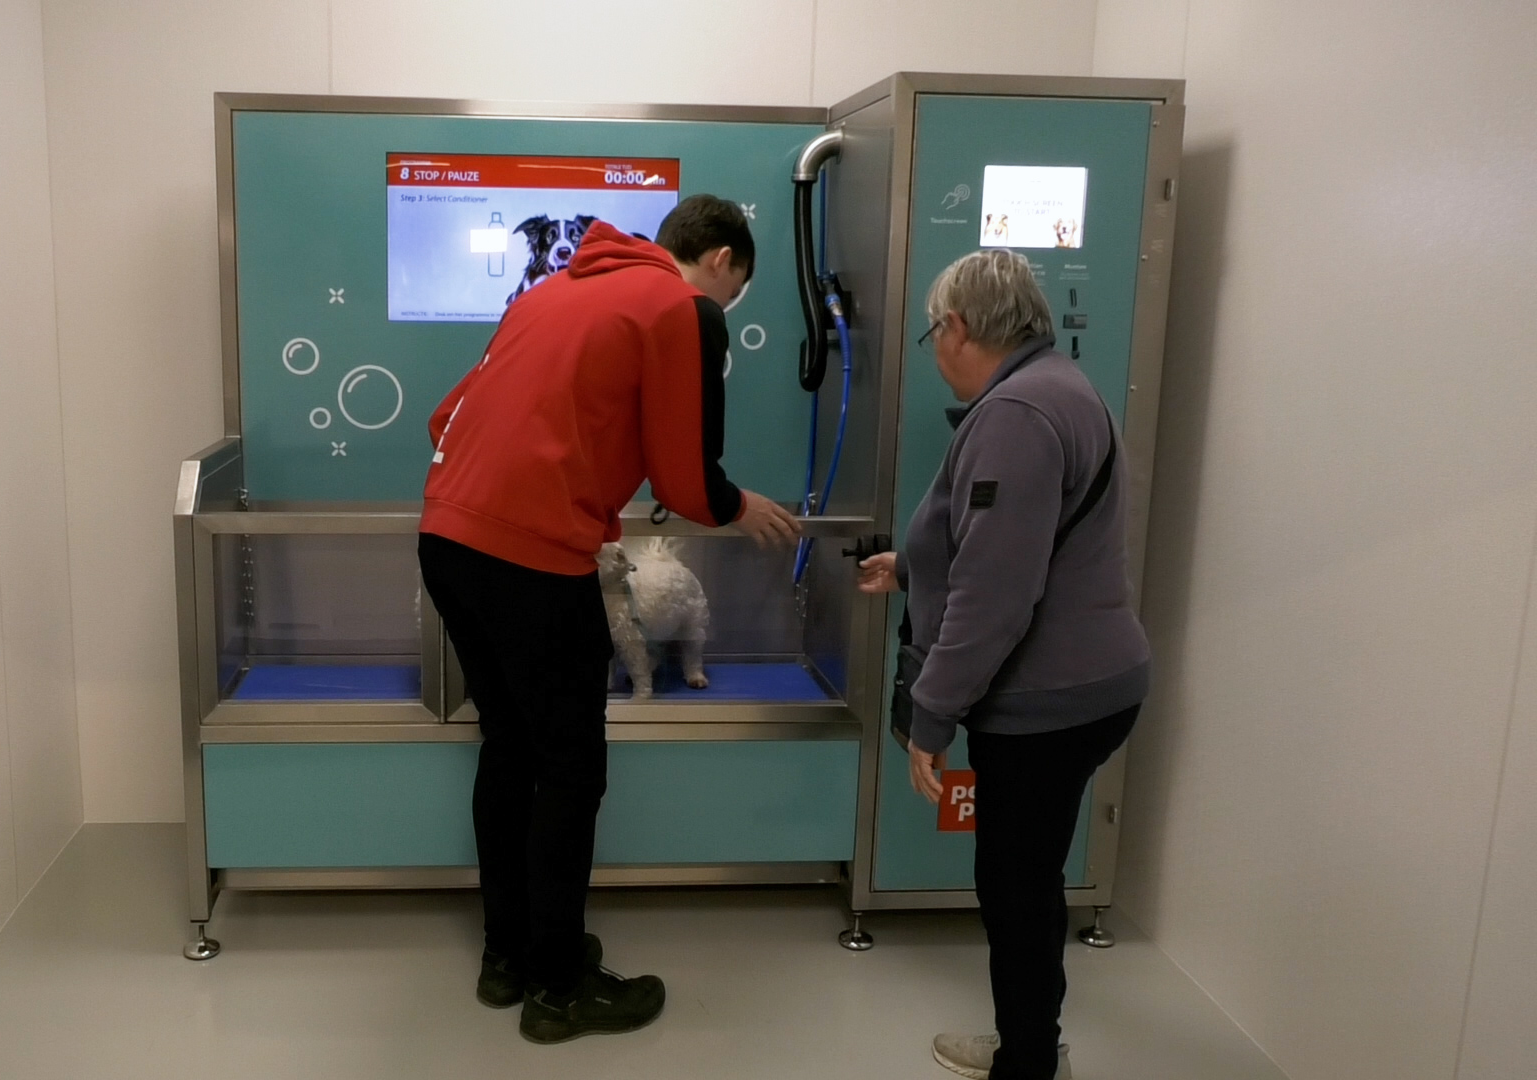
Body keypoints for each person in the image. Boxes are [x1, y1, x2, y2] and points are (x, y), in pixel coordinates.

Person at [418, 194, 803, 1044]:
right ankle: (559, 990)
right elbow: (687, 482)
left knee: (508, 747)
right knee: (570, 770)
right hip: (531, 559)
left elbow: (445, 416)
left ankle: (509, 955)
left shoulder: (550, 292)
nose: (726, 305)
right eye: (735, 289)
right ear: (723, 262)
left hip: (446, 537)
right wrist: (740, 507)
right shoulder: (684, 309)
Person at [858, 249, 1149, 1080]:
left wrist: (932, 713)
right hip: (1091, 684)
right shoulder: (1060, 385)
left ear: (956, 327)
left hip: (1045, 700)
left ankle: (1027, 1062)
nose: (935, 354)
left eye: (932, 336)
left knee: (1016, 889)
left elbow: (996, 594)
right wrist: (914, 568)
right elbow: (1013, 541)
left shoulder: (1016, 412)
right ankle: (1033, 1039)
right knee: (1031, 878)